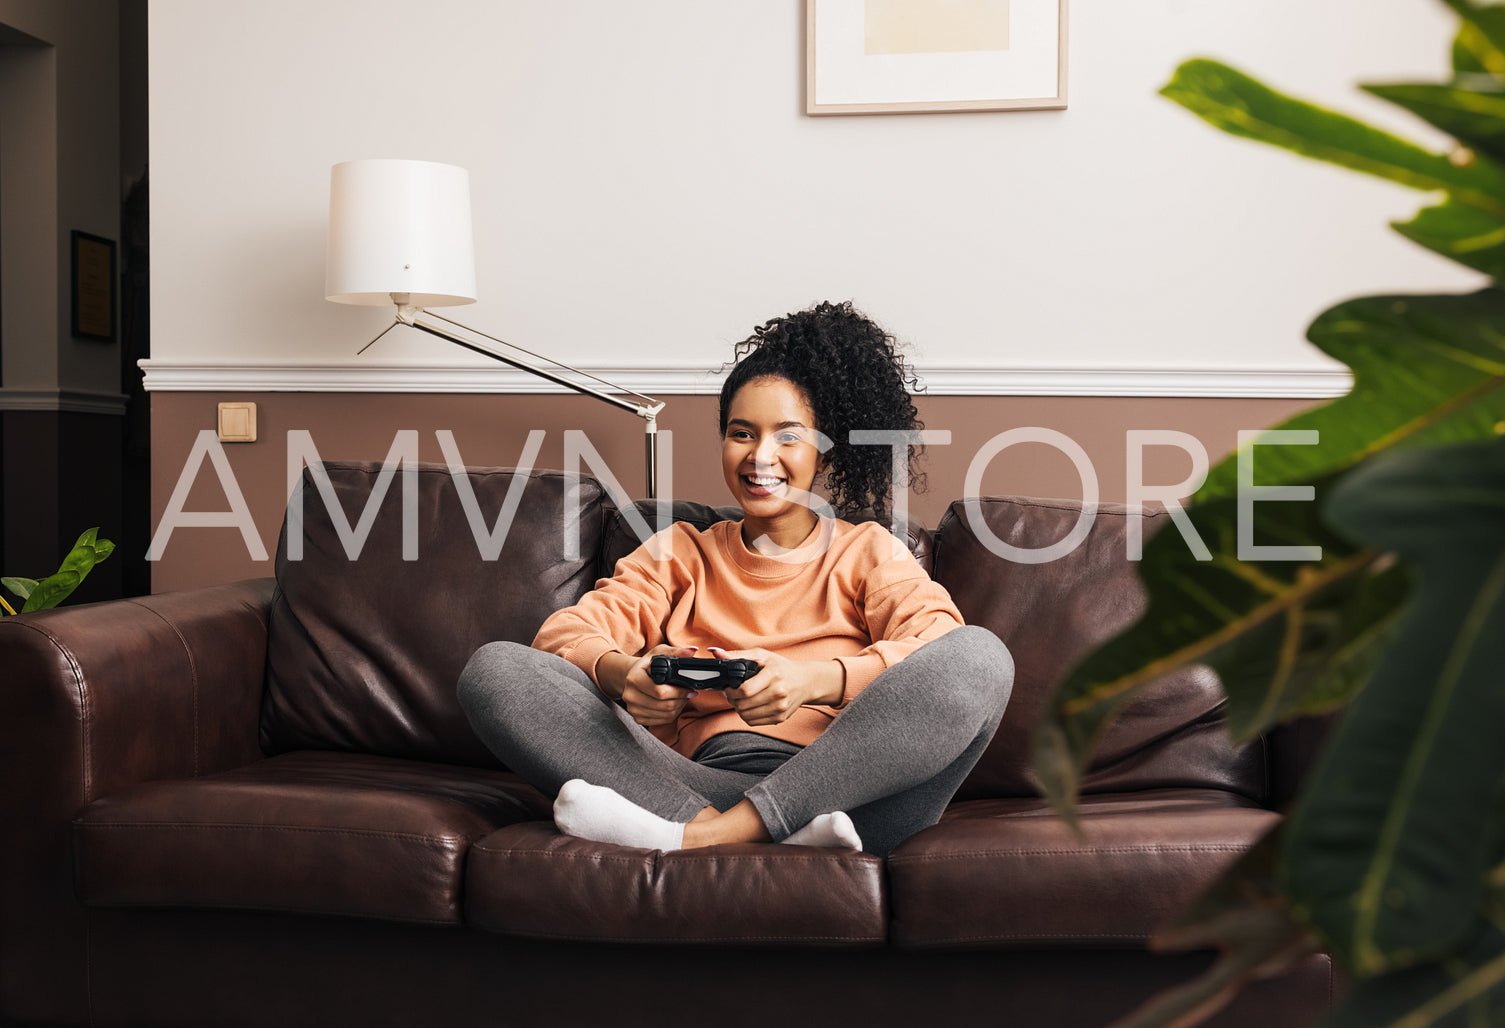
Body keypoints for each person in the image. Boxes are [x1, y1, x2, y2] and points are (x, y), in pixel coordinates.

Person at [457, 300, 1013, 857]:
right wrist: (625, 676)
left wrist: (814, 681)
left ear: (825, 452)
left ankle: (699, 839)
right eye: (742, 433)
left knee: (983, 656)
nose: (760, 456)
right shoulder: (678, 552)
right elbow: (561, 639)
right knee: (495, 670)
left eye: (788, 437)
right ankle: (746, 831)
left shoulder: (868, 552)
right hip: (688, 782)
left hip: (845, 792)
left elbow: (940, 650)